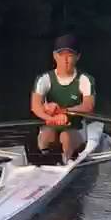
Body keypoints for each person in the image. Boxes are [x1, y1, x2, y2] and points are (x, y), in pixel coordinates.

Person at [30, 34, 96, 163]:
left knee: (65, 137)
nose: (65, 60)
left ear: (78, 57)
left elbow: (88, 106)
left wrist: (64, 111)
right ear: (55, 56)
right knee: (46, 136)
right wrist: (52, 118)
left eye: (70, 55)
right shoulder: (44, 79)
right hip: (50, 125)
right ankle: (44, 159)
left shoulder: (85, 80)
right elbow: (35, 106)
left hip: (76, 128)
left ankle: (65, 162)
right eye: (61, 55)